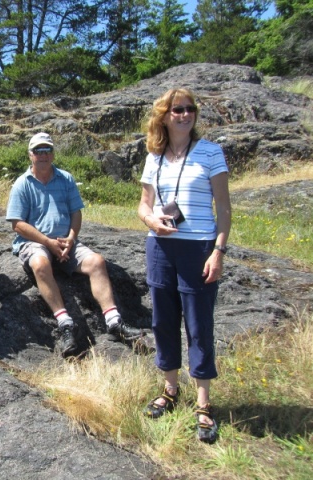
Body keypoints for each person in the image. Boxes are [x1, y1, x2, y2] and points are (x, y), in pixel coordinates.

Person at [138, 88, 231, 444]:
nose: (185, 114)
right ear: (164, 115)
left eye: (190, 109)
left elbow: (223, 208)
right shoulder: (155, 155)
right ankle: (170, 389)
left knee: (198, 323)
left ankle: (204, 405)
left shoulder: (210, 152)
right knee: (162, 320)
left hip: (198, 248)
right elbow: (144, 206)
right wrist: (152, 223)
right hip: (160, 246)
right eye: (178, 109)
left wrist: (218, 251)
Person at [6, 132, 143, 357]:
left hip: (66, 241)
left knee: (97, 262)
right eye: (38, 151)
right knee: (40, 264)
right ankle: (65, 324)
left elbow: (75, 213)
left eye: (47, 150)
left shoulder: (66, 178)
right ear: (30, 154)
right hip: (36, 242)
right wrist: (48, 243)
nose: (43, 155)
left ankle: (114, 321)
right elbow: (17, 224)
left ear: (52, 153)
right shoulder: (22, 184)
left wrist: (71, 238)